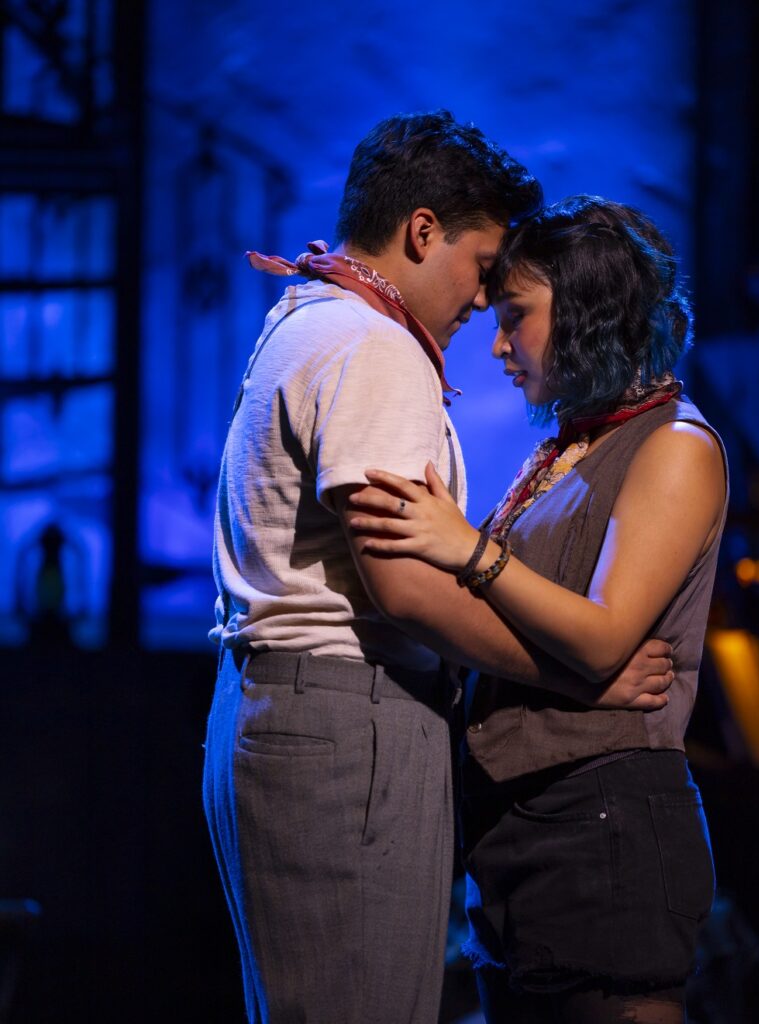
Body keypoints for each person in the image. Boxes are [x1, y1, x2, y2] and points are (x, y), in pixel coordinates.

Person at [203, 114, 675, 1024]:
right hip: (346, 722)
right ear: (422, 231)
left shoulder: (305, 316)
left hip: (293, 709)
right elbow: (407, 588)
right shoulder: (371, 345)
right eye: (483, 266)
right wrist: (582, 680)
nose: (482, 300)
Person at [348, 195, 728, 1023]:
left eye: (516, 316)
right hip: (521, 824)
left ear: (590, 311)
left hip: (606, 822)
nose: (496, 343)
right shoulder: (568, 448)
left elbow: (603, 640)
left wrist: (466, 549)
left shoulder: (675, 446)